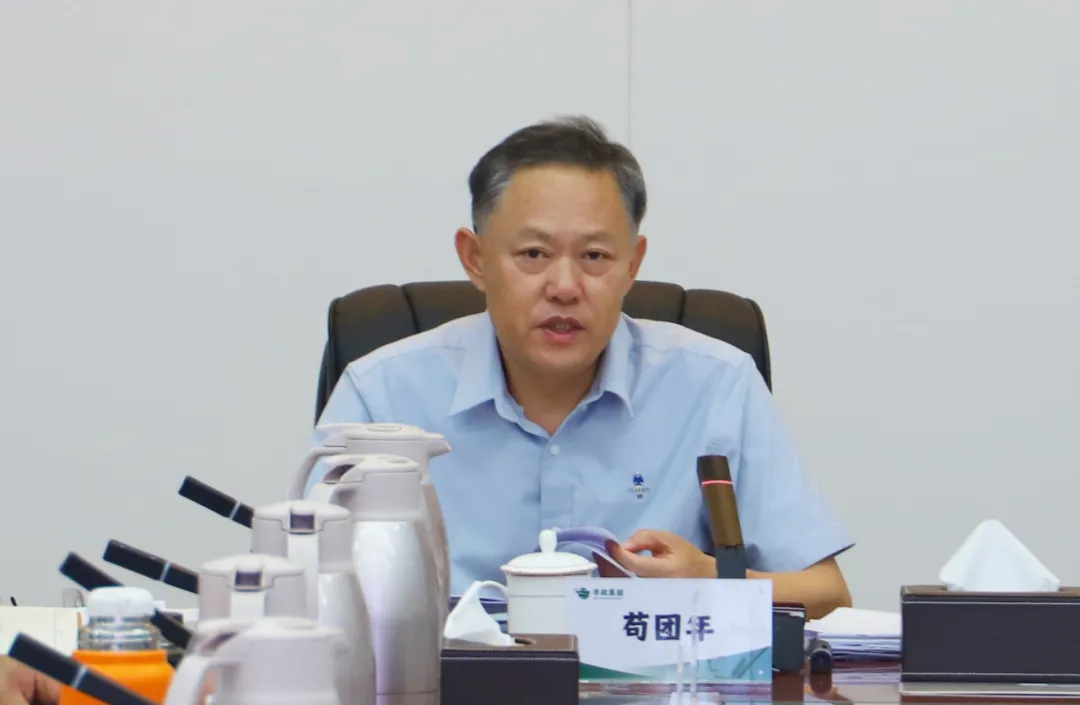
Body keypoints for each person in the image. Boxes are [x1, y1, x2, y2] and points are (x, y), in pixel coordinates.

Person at [311, 115, 854, 619]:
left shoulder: (715, 386)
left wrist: (710, 581)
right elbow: (309, 587)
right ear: (475, 259)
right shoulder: (382, 395)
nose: (565, 287)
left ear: (633, 264)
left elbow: (827, 593)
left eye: (595, 256)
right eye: (534, 254)